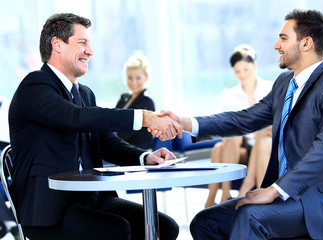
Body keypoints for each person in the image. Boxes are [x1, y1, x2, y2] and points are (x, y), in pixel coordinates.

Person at [155, 9, 323, 239]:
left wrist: (273, 190)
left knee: (250, 216)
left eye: (283, 38)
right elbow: (243, 119)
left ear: (306, 43)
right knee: (206, 222)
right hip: (286, 197)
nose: (276, 45)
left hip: (321, 202)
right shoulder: (284, 83)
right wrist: (182, 122)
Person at [8, 13, 181, 240]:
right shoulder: (35, 86)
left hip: (93, 198)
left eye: (90, 44)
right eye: (83, 43)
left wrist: (146, 158)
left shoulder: (85, 94)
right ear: (57, 45)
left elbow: (108, 144)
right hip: (51, 208)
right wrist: (146, 118)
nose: (90, 51)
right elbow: (75, 118)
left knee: (165, 226)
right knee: (116, 230)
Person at [205, 44, 273, 208]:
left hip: (263, 143)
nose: (242, 74)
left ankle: (222, 197)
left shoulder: (270, 88)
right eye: (237, 71)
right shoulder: (230, 95)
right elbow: (228, 126)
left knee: (219, 149)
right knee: (227, 141)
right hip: (240, 147)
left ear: (255, 66)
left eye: (245, 69)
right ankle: (223, 194)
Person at [116, 54, 155, 150]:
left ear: (146, 77)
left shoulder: (147, 102)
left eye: (138, 78)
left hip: (140, 151)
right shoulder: (124, 98)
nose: (133, 82)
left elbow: (129, 130)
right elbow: (112, 118)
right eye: (130, 78)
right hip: (123, 148)